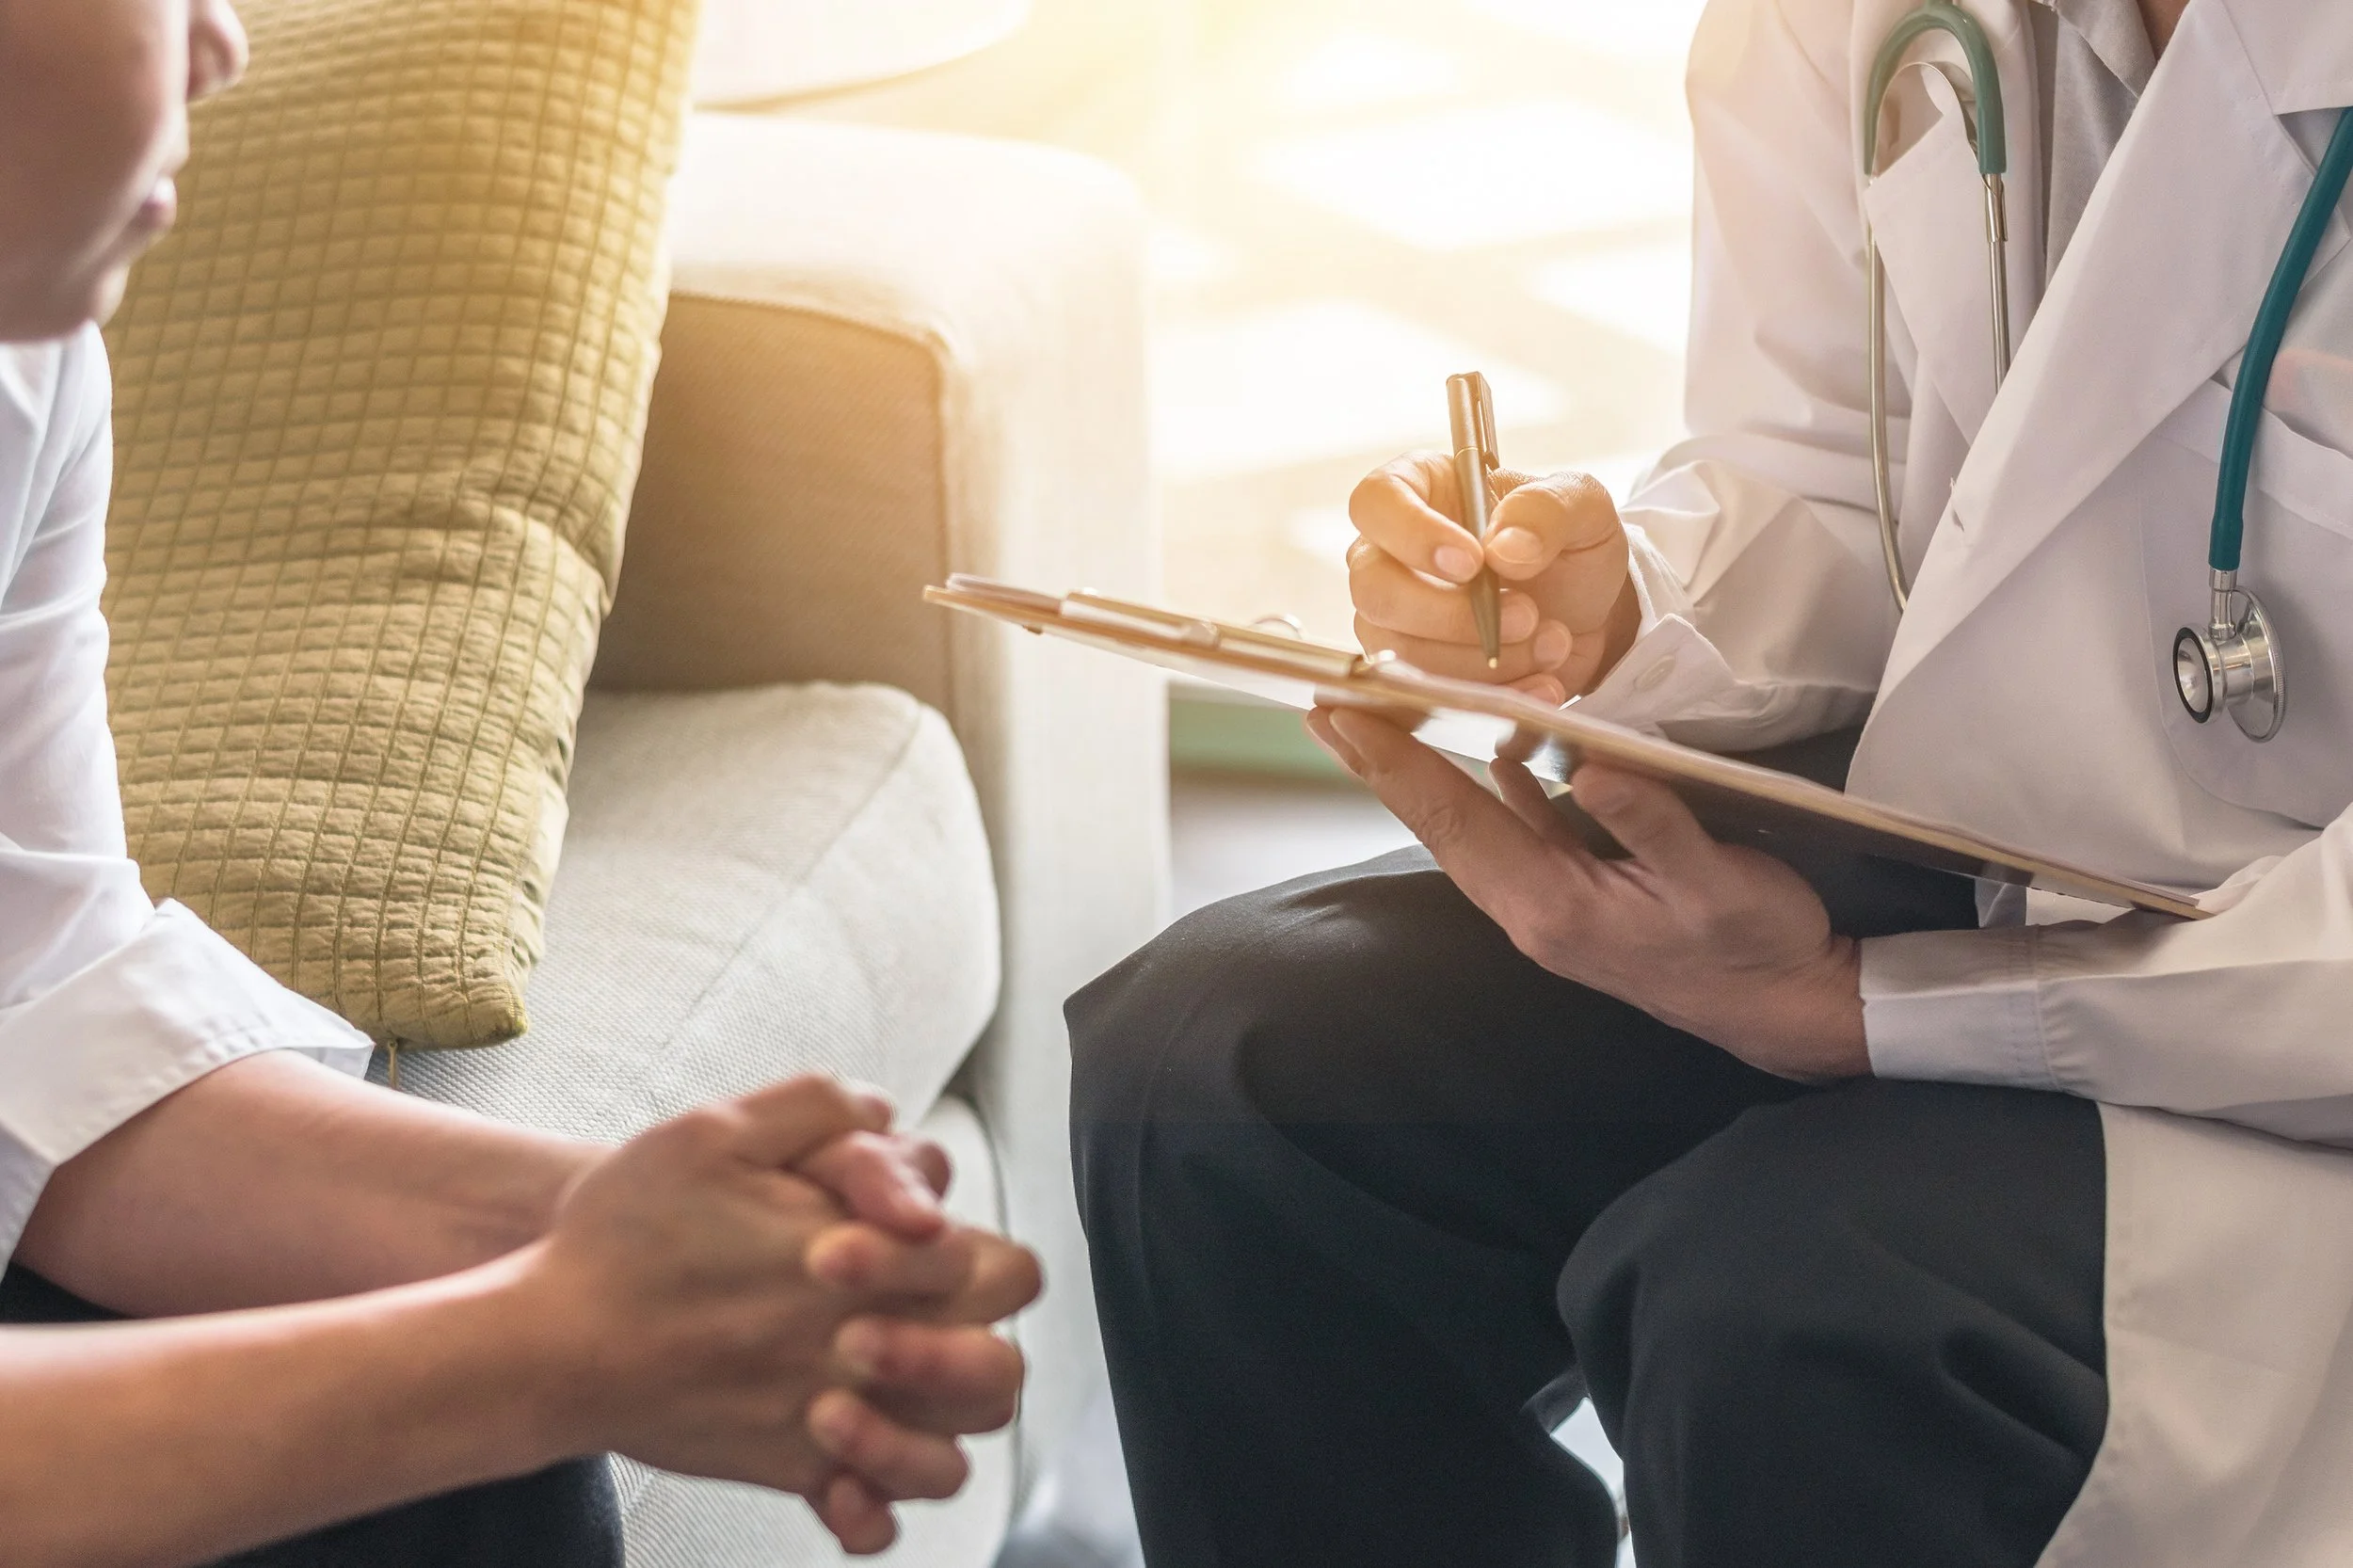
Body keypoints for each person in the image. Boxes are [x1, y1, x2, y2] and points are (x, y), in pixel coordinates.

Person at [1072, 0, 2353, 1564]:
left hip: (2302, 1056)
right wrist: (1616, 611)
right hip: (2028, 855)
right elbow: (1836, 466)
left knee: (1791, 1316)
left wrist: (1863, 1002)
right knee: (1221, 1067)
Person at [0, 1, 1041, 1562]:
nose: (227, 40)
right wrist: (525, 1346)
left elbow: (42, 1002)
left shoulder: (28, 355)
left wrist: (657, 1239)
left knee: (463, 1470)